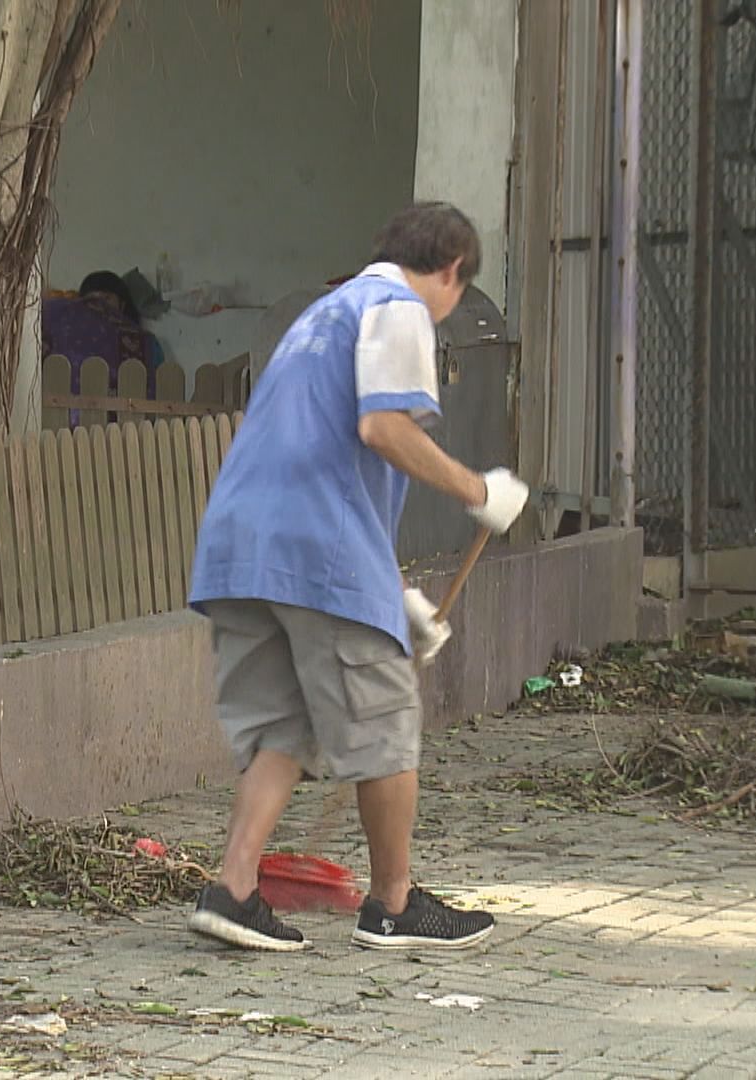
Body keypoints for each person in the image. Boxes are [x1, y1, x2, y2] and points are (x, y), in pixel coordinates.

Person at [184, 202, 530, 952]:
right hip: (317, 550)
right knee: (386, 721)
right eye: (457, 296)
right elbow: (383, 427)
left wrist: (387, 592)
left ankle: (233, 891)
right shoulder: (399, 308)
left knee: (288, 725)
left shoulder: (322, 315)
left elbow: (318, 450)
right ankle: (394, 903)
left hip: (242, 546)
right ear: (450, 274)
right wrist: (479, 490)